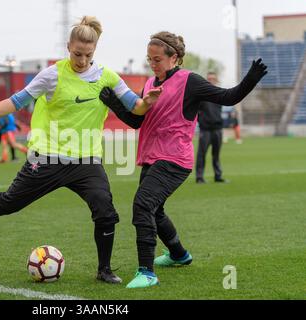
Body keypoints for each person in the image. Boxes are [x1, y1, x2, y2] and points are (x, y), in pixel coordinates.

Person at [0, 16, 161, 284]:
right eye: (77, 54)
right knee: (8, 204)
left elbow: (135, 107)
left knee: (106, 212)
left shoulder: (107, 76)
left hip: (86, 162)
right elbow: (16, 102)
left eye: (88, 55)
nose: (82, 60)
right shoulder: (52, 75)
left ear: (94, 51)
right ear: (68, 47)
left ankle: (104, 270)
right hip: (46, 158)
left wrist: (149, 101)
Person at [100, 31, 267, 288]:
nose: (152, 64)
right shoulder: (149, 83)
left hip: (174, 158)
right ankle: (179, 255)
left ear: (174, 58)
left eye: (157, 59)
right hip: (152, 157)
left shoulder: (190, 81)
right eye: (149, 59)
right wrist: (114, 104)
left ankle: (147, 272)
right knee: (155, 211)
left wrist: (250, 79)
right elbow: (137, 121)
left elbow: (228, 97)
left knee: (143, 205)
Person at [195, 72, 227, 184]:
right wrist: (201, 121)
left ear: (216, 80)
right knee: (201, 154)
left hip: (218, 128)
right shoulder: (201, 95)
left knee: (216, 154)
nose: (211, 81)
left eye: (213, 79)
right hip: (205, 129)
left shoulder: (219, 94)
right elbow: (195, 111)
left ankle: (218, 176)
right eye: (209, 79)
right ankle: (199, 177)